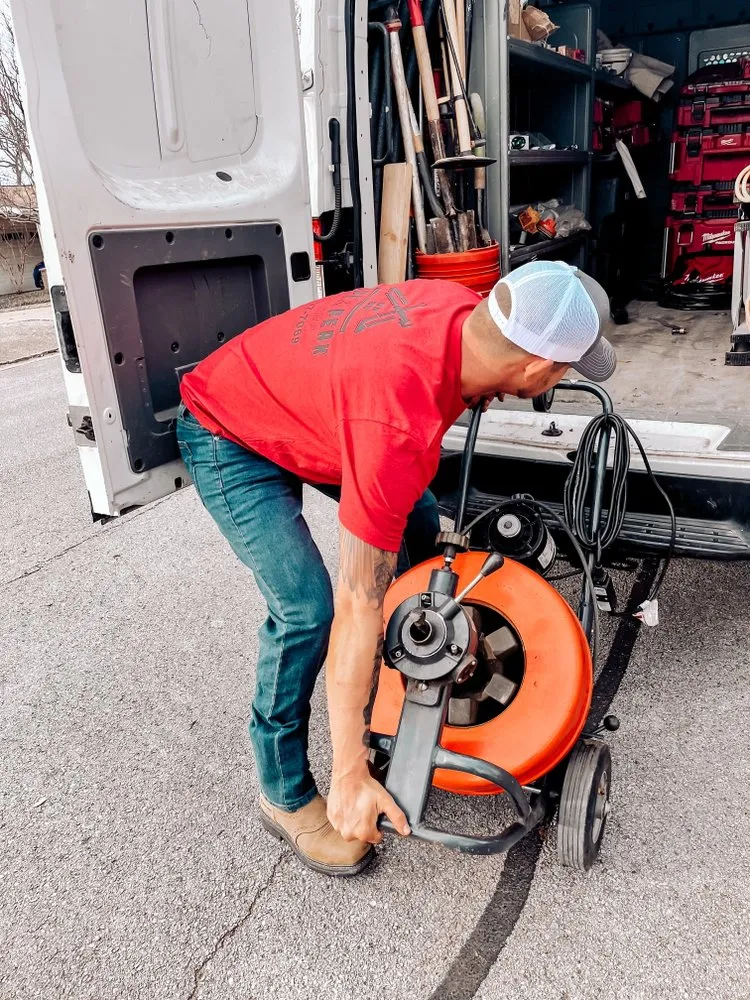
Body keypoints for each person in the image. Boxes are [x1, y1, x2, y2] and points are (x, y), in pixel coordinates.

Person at [177, 260, 616, 877]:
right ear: (539, 370)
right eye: (569, 365)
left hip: (315, 414)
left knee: (419, 523)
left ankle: (415, 675)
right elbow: (360, 601)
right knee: (309, 609)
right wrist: (350, 773)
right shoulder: (392, 421)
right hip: (227, 430)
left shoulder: (459, 310)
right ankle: (283, 794)